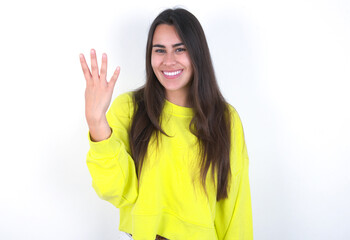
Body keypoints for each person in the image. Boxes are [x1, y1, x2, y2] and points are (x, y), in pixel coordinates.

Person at [79, 8, 252, 240]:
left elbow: (235, 210)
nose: (168, 61)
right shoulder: (129, 109)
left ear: (197, 53)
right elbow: (116, 191)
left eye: (180, 49)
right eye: (159, 50)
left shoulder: (225, 119)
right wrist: (96, 122)